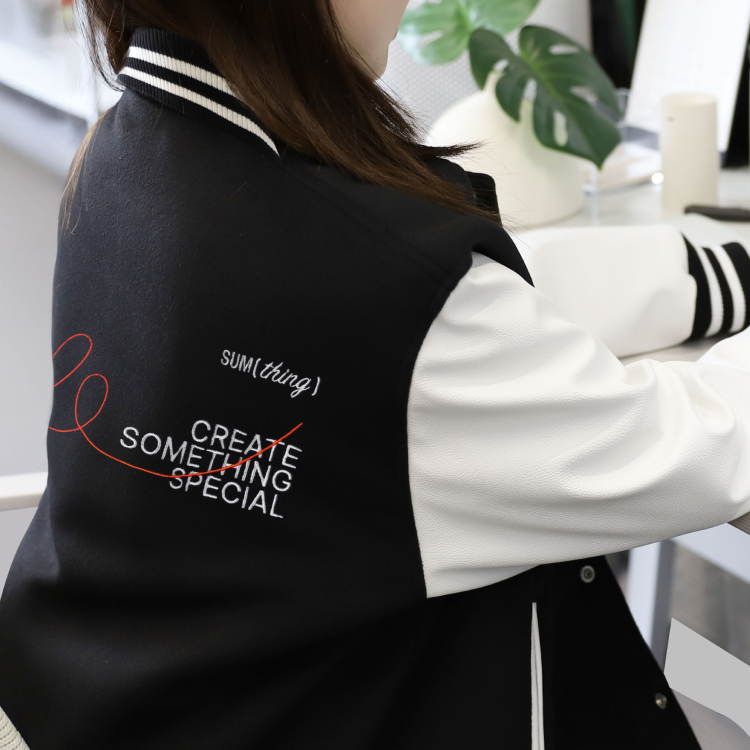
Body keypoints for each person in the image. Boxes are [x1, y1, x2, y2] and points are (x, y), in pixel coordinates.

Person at [1, 1, 750, 748]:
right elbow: (702, 454)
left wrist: (718, 275)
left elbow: (468, 308)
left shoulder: (129, 154)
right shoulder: (384, 292)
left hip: (91, 698)